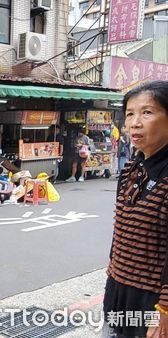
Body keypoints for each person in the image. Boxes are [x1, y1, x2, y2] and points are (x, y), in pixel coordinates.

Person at [102, 80, 168, 337]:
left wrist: (164, 311)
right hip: (118, 292)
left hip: (152, 301)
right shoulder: (132, 168)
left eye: (147, 112)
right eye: (130, 114)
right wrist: (111, 276)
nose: (134, 123)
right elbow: (121, 231)